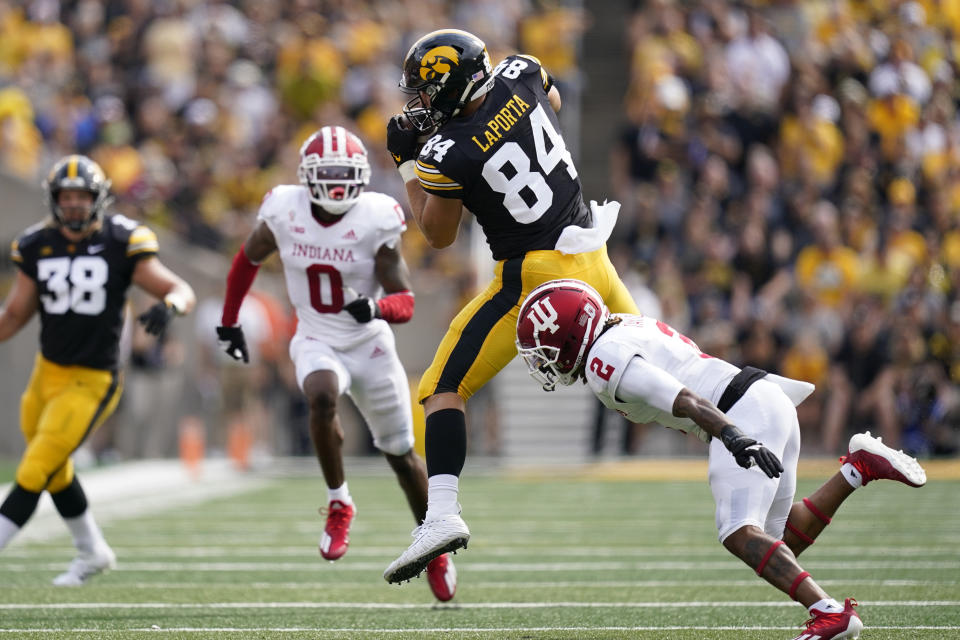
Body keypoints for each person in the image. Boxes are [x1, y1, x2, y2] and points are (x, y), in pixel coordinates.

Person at [514, 279, 928, 640]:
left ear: (569, 337)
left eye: (543, 349)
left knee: (737, 532)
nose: (541, 361)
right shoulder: (622, 327)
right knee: (778, 540)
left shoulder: (605, 359)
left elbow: (684, 397)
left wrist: (732, 435)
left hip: (739, 412)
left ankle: (830, 613)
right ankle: (858, 468)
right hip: (764, 398)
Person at [382, 28, 640, 584]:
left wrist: (407, 164)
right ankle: (738, 422)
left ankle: (441, 513)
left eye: (426, 92)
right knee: (658, 367)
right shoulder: (521, 71)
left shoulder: (445, 153)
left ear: (451, 86)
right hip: (592, 251)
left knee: (440, 387)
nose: (419, 105)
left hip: (532, 276)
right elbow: (553, 101)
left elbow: (438, 235)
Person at [215, 125, 457, 602]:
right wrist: (229, 322)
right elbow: (246, 261)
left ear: (362, 177)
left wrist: (376, 308)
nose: (336, 185)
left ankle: (435, 546)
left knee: (402, 456)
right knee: (321, 396)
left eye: (345, 175)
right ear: (306, 176)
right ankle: (339, 501)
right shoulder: (284, 210)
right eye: (326, 174)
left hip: (368, 342)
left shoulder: (375, 217)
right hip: (315, 335)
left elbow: (404, 301)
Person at [0, 154, 196, 585]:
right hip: (45, 374)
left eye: (81, 197)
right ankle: (93, 551)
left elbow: (180, 288)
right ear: (53, 200)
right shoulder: (36, 244)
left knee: (34, 468)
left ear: (98, 199)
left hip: (93, 379)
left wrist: (170, 306)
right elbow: (14, 315)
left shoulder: (121, 240)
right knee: (53, 469)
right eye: (65, 197)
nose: (72, 205)